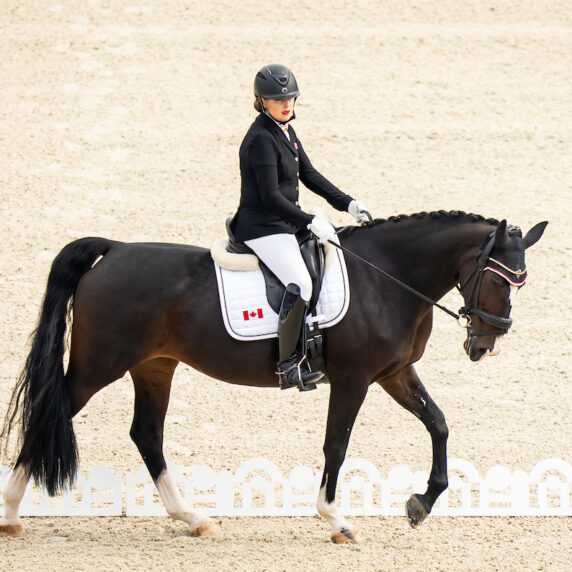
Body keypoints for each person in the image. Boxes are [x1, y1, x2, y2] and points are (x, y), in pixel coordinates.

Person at [229, 64, 370, 390]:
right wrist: (308, 220)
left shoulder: (285, 131)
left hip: (284, 222)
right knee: (300, 283)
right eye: (278, 99)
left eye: (290, 97)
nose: (286, 104)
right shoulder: (261, 139)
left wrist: (347, 203)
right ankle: (288, 364)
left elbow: (309, 174)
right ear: (262, 101)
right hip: (262, 227)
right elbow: (270, 196)